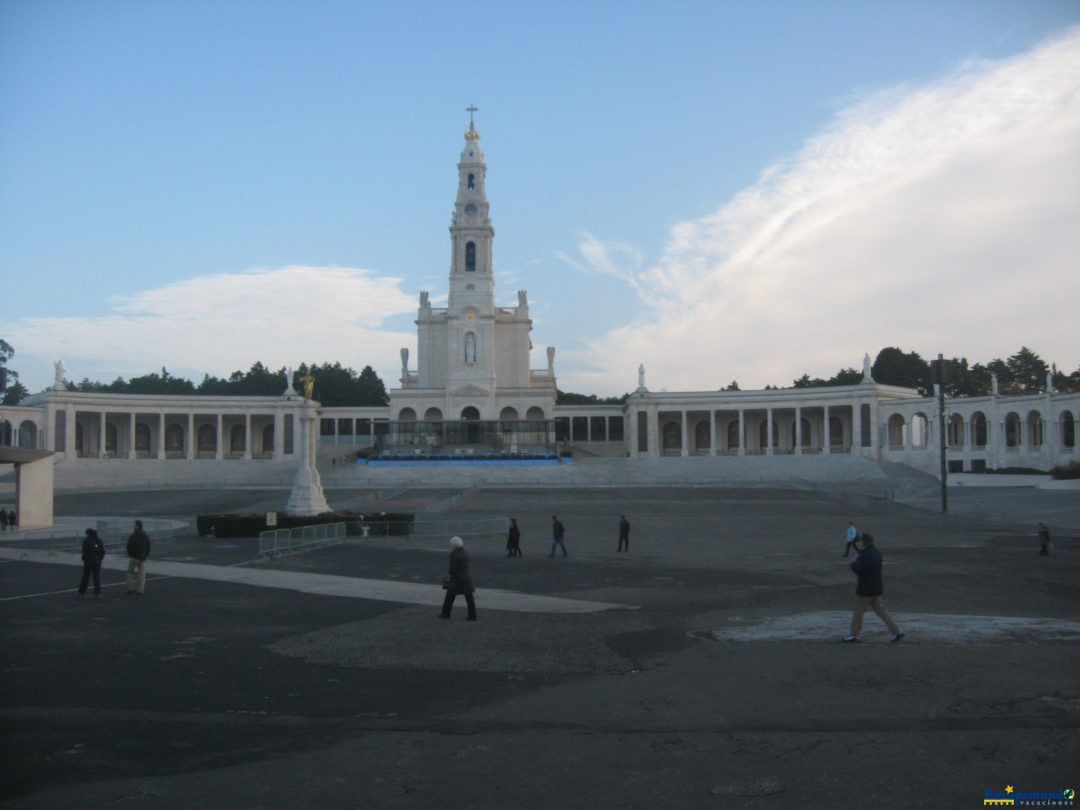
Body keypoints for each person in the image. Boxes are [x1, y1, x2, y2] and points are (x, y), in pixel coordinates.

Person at [843, 533, 904, 644]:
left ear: (865, 542)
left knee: (858, 612)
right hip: (877, 587)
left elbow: (859, 569)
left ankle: (854, 635)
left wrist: (853, 562)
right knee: (881, 610)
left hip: (866, 588)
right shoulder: (877, 553)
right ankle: (897, 631)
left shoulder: (866, 555)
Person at [439, 537, 476, 620]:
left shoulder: (454, 554)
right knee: (469, 597)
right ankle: (472, 615)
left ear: (454, 545)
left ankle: (445, 614)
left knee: (449, 596)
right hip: (466, 576)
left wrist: (450, 574)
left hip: (457, 578)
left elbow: (453, 568)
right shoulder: (464, 552)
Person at [126, 520, 151, 596]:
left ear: (137, 526)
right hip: (142, 558)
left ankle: (130, 588)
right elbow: (148, 547)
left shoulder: (133, 536)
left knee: (130, 572)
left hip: (134, 557)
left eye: (134, 525)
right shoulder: (145, 536)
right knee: (141, 574)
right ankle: (140, 590)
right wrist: (145, 556)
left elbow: (129, 547)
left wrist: (131, 554)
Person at [78, 528, 106, 598]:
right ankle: (97, 593)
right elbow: (102, 551)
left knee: (85, 578)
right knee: (96, 578)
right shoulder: (99, 540)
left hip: (88, 562)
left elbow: (84, 552)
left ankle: (81, 592)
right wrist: (100, 559)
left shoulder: (86, 540)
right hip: (97, 562)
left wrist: (84, 559)